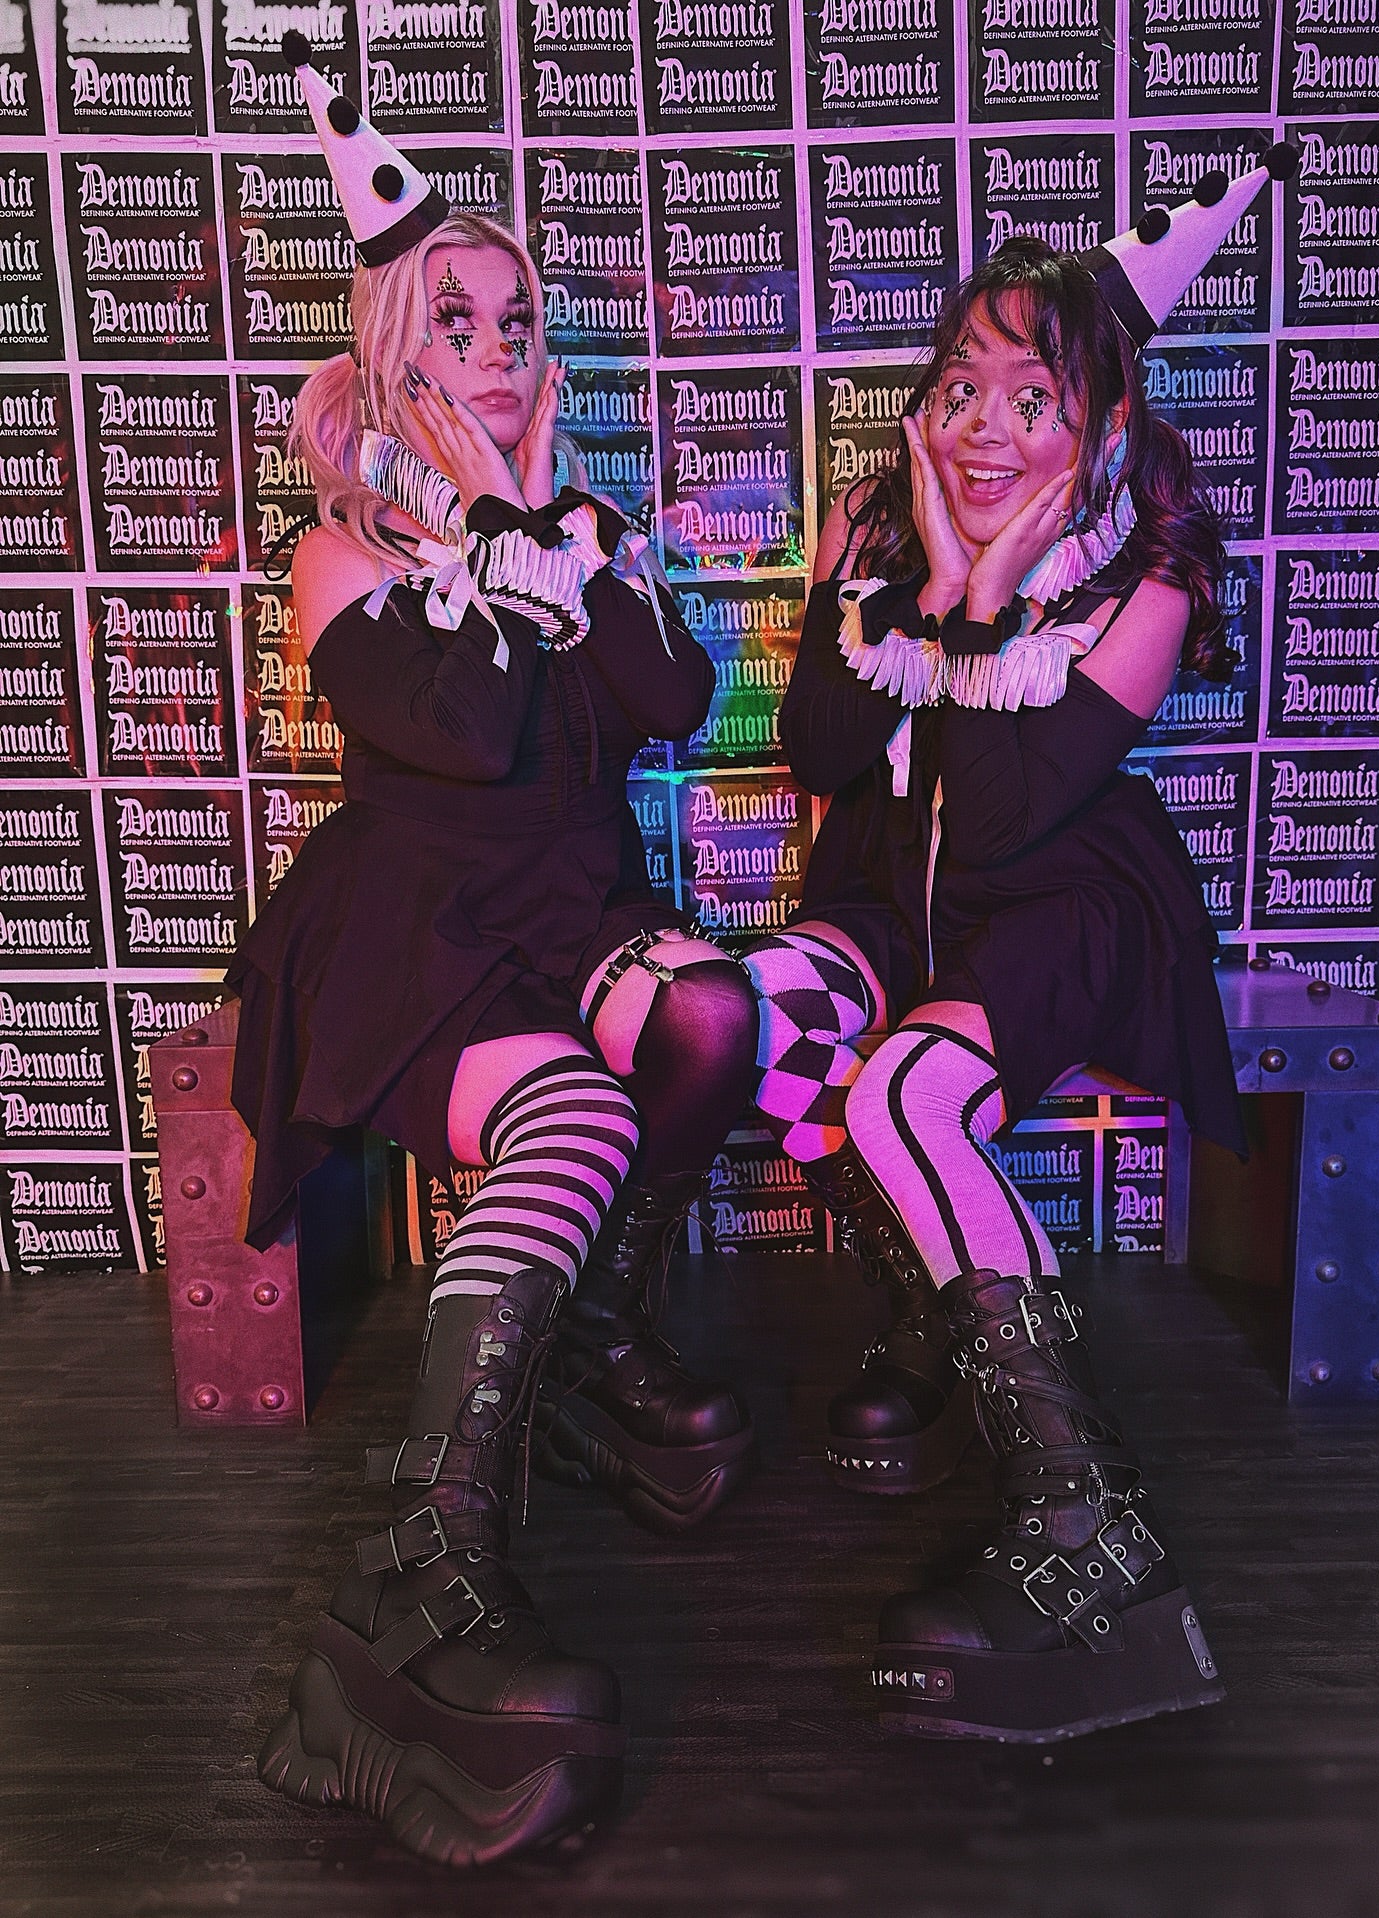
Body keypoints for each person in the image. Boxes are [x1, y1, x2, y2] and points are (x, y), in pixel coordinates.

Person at [230, 39, 758, 1863]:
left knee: (711, 1018)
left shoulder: (586, 530)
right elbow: (459, 731)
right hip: (419, 924)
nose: (502, 348)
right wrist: (502, 539)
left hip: (573, 905)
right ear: (395, 351)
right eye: (456, 323)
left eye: (518, 320)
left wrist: (569, 544)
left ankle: (595, 1343)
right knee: (576, 1116)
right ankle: (419, 1574)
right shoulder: (344, 552)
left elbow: (673, 699)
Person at [743, 153, 1293, 1742]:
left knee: (907, 1096)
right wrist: (910, 561)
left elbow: (997, 823)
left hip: (1063, 901)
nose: (984, 427)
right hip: (885, 888)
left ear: (1100, 426)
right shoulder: (871, 526)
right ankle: (936, 1323)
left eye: (1032, 396)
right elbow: (818, 744)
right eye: (963, 385)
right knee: (740, 1017)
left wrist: (977, 590)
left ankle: (1089, 1527)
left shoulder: (1147, 576)